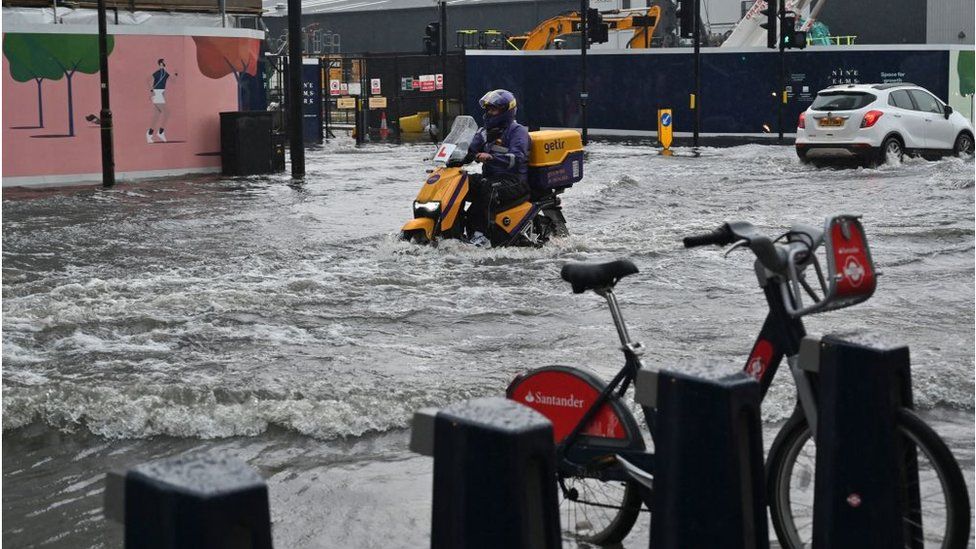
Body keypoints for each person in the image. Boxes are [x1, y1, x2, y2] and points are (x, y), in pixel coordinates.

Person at [464, 89, 530, 248]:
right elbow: (469, 150)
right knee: (460, 181)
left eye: (493, 109)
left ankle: (482, 236)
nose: (489, 113)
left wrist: (492, 157)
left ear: (506, 111)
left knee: (489, 188)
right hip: (491, 178)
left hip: (514, 181)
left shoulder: (517, 131)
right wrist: (452, 157)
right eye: (487, 109)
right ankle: (449, 228)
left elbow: (518, 157)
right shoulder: (484, 132)